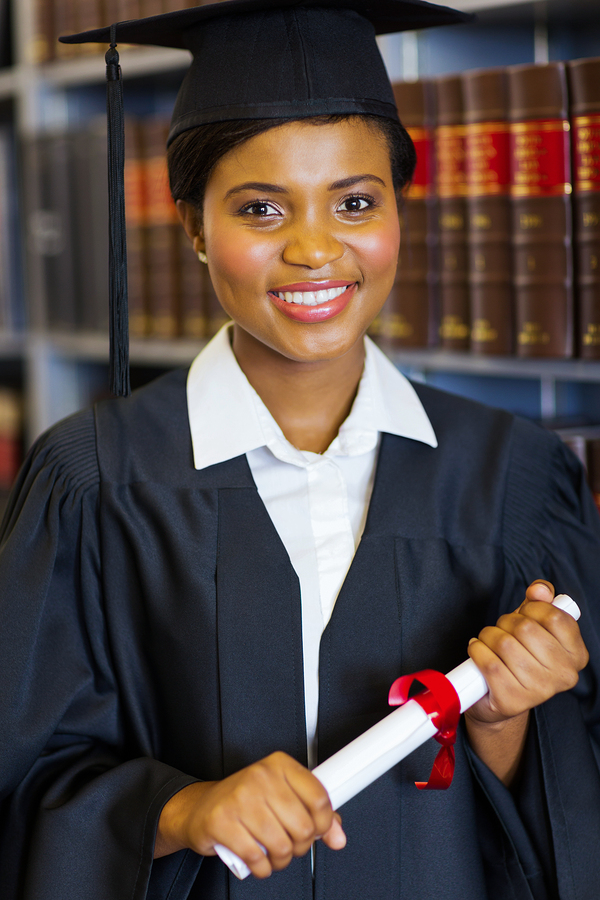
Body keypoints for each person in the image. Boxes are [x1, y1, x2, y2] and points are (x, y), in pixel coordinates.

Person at [0, 2, 598, 899]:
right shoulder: (93, 480)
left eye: (356, 202)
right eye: (262, 209)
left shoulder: (511, 479)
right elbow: (24, 784)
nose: (316, 249)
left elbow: (568, 816)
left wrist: (505, 720)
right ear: (194, 228)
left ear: (401, 207)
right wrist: (181, 811)